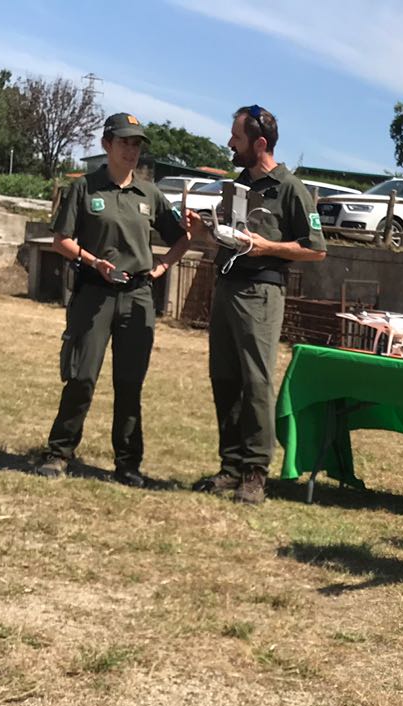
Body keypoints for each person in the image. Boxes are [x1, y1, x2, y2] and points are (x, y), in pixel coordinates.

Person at [37, 113, 191, 487]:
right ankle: (59, 452)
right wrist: (93, 261)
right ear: (107, 144)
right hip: (95, 292)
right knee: (82, 375)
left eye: (137, 144)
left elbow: (182, 237)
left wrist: (163, 266)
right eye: (124, 142)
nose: (132, 150)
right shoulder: (85, 188)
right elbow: (62, 240)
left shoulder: (150, 194)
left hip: (137, 296)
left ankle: (127, 463)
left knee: (129, 382)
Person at [188, 104, 327, 505]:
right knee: (225, 378)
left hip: (261, 294)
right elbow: (233, 236)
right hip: (228, 287)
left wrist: (269, 247)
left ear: (260, 143)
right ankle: (230, 467)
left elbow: (315, 250)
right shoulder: (237, 184)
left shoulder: (290, 189)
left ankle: (255, 472)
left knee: (256, 382)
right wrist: (205, 229)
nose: (230, 143)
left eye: (237, 137)